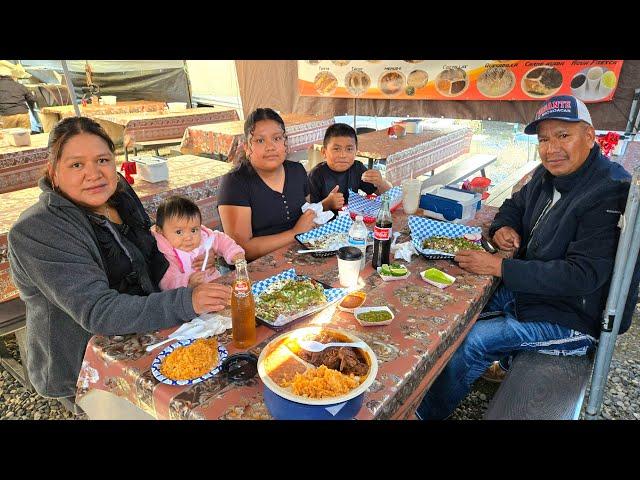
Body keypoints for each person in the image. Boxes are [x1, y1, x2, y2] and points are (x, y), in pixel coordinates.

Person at [416, 95, 632, 420]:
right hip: (533, 295)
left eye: (563, 135)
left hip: (572, 318)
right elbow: (513, 206)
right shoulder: (547, 175)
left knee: (472, 340)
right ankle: (474, 370)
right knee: (449, 312)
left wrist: (500, 266)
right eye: (544, 138)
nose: (551, 148)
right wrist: (504, 228)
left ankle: (422, 414)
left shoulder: (607, 191)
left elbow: (581, 276)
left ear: (590, 136)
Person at [7, 116, 232, 400]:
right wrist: (187, 300)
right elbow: (99, 311)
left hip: (151, 334)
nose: (94, 173)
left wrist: (186, 265)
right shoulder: (38, 230)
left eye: (102, 160)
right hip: (89, 364)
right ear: (53, 172)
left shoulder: (119, 193)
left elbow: (149, 252)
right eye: (77, 164)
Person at [217, 107, 317, 261]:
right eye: (260, 140)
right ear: (247, 148)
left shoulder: (297, 171)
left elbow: (309, 213)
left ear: (285, 143)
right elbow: (241, 249)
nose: (270, 147)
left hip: (302, 255)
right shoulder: (235, 183)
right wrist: (294, 233)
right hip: (259, 268)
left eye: (276, 138)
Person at [151, 195, 245, 290]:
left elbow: (221, 240)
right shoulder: (165, 254)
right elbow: (166, 283)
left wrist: (235, 254)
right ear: (160, 231)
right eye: (179, 232)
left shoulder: (204, 237)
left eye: (193, 230)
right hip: (189, 298)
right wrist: (188, 281)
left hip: (215, 284)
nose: (188, 238)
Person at [308, 123, 392, 214]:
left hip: (353, 221)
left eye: (349, 149)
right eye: (336, 149)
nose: (343, 155)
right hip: (325, 225)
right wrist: (327, 204)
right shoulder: (315, 175)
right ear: (324, 152)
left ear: (356, 151)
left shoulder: (357, 168)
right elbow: (307, 212)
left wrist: (381, 182)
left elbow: (388, 196)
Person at [0, 65, 36, 130]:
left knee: (8, 137)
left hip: (7, 116)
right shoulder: (20, 86)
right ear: (12, 77)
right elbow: (32, 99)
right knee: (24, 137)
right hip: (23, 115)